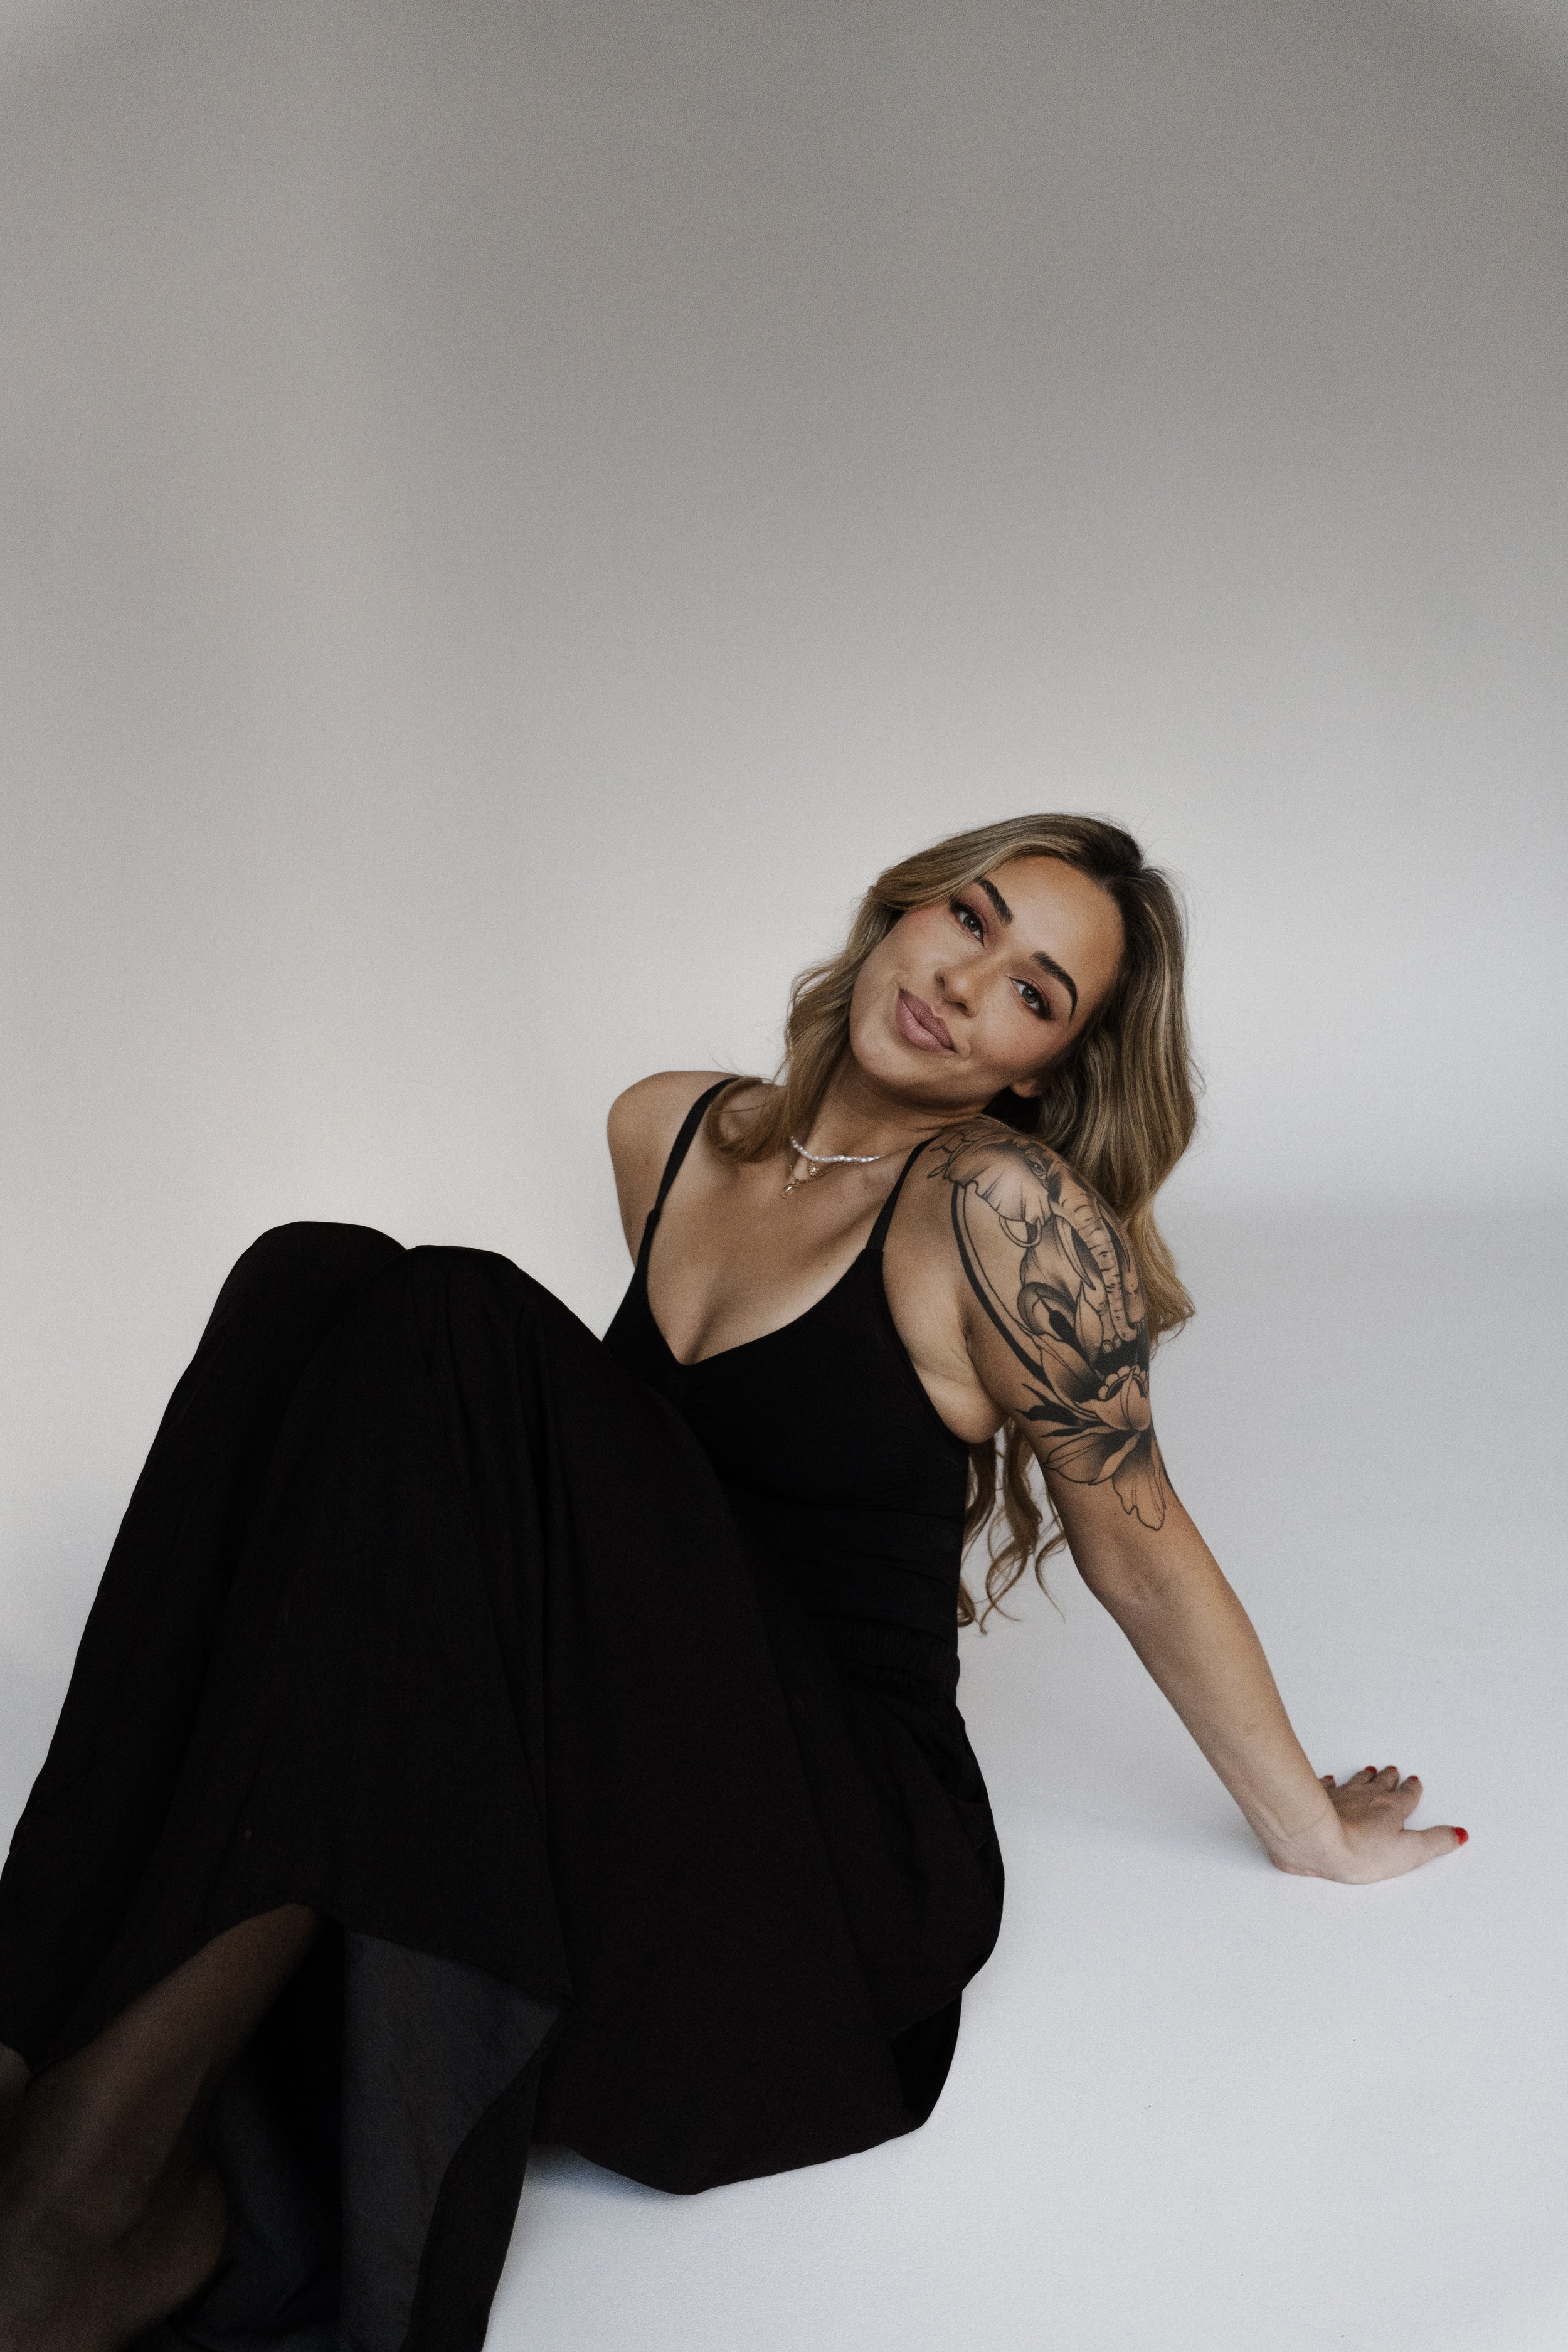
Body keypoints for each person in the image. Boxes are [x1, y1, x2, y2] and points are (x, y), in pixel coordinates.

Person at [0, 815, 1463, 2352]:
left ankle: (73, 2215)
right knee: (311, 1276)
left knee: (447, 1315)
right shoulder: (671, 1127)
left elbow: (1137, 1541)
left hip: (815, 1860)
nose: (968, 985)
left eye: (1034, 993)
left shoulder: (996, 1211)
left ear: (1039, 1068)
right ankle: (30, 2054)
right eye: (966, 922)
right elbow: (603, 1521)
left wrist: (1308, 1829)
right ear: (897, 913)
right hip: (633, 1759)